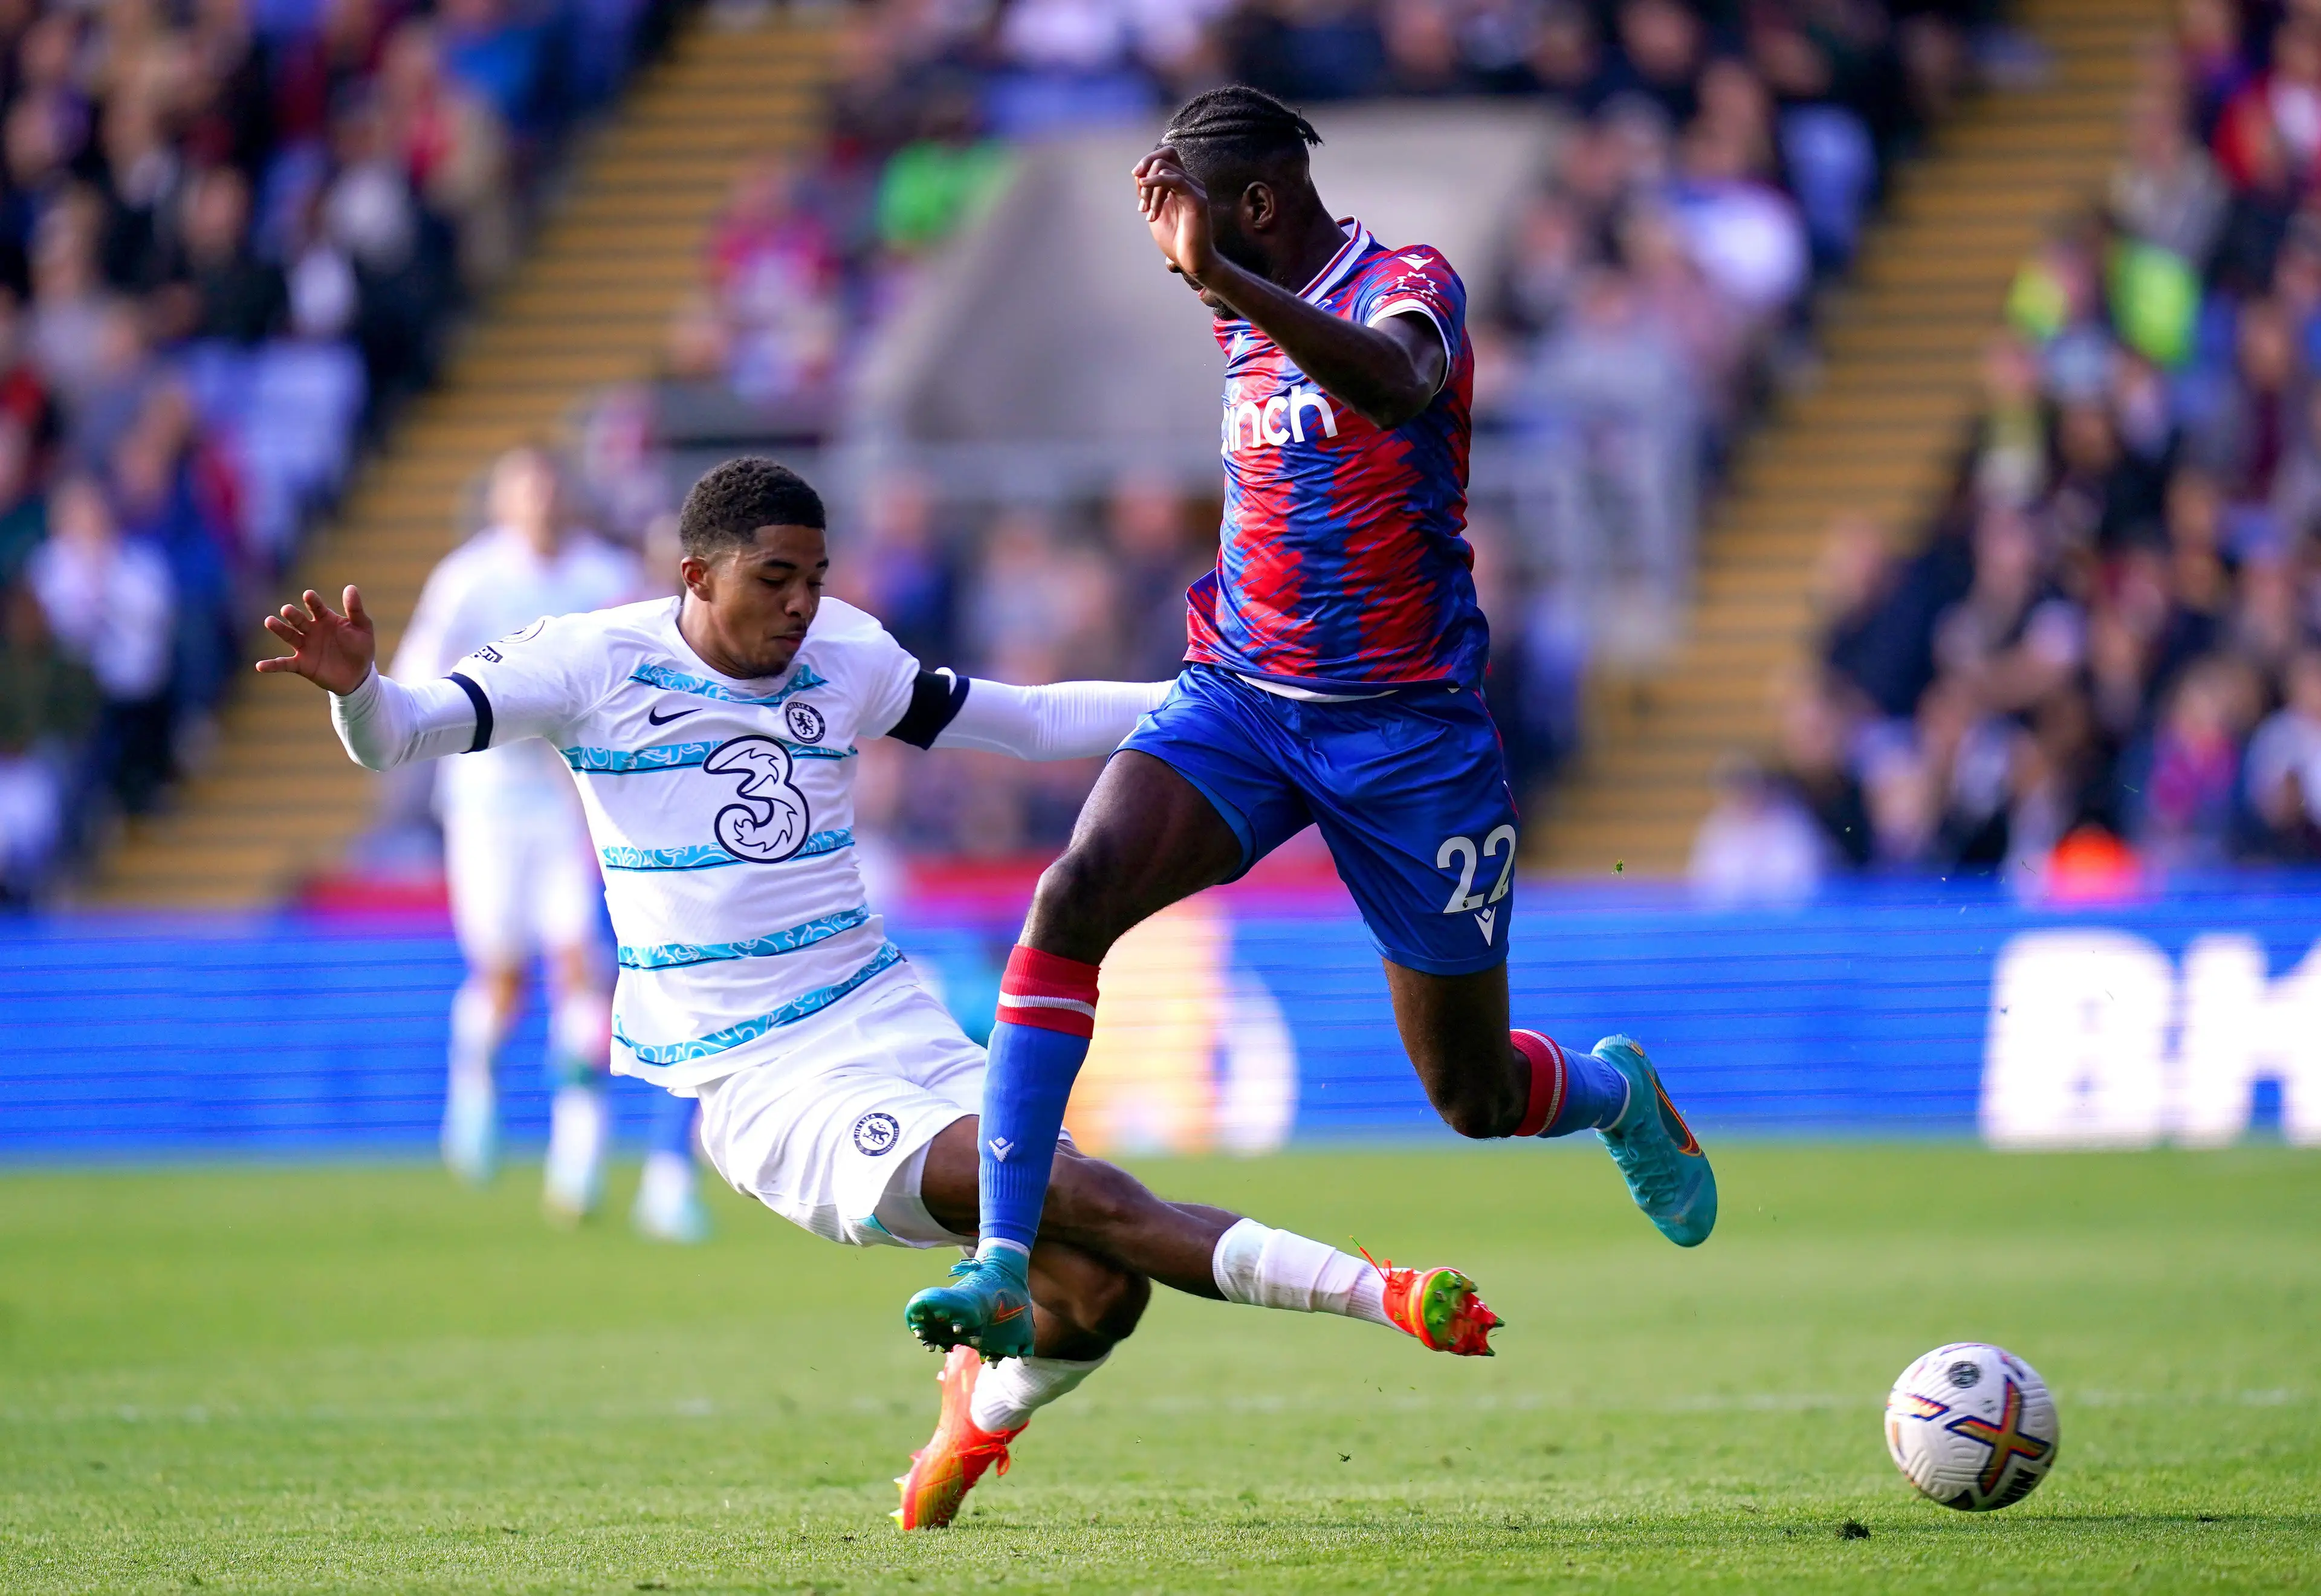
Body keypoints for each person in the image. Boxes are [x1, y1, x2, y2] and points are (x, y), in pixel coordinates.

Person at [257, 457, 1507, 1532]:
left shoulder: (846, 650)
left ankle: (975, 1419)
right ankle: (1383, 1291)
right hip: (761, 1079)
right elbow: (409, 731)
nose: (804, 607)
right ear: (696, 577)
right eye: (774, 581)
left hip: (890, 1015)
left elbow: (1014, 720)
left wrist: (1237, 708)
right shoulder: (590, 661)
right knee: (1075, 1194)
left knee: (1096, 1290)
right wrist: (360, 690)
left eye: (815, 577)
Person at [905, 87, 1719, 1361]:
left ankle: (1619, 1095)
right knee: (1071, 898)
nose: (1184, 253)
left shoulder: (1406, 281)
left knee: (1473, 1093)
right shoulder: (1234, 301)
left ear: (1264, 207)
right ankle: (1007, 1257)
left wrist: (1224, 276)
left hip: (1409, 739)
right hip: (1241, 700)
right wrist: (1213, 269)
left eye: (1205, 218)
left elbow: (1397, 385)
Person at [390, 445, 644, 1226]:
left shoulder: (604, 579)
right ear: (502, 504)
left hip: (572, 806)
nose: (539, 504)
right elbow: (415, 678)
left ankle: (580, 1161)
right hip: (484, 801)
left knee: (581, 969)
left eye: (549, 489)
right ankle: (474, 1077)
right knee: (503, 978)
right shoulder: (469, 580)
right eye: (523, 492)